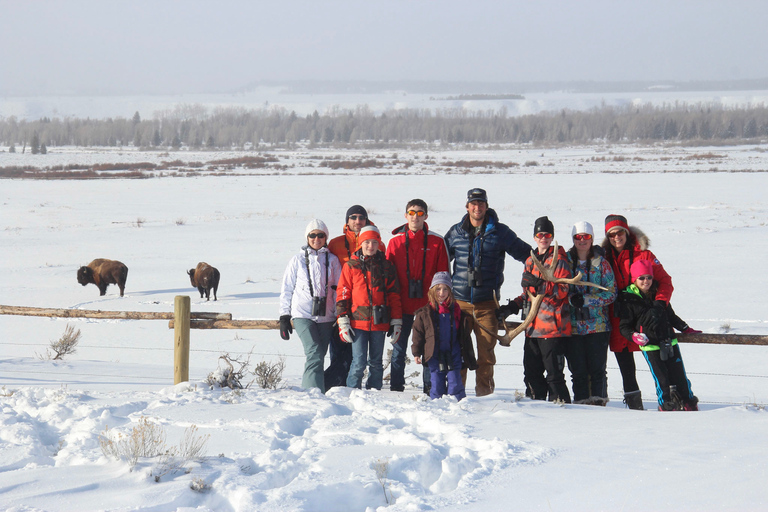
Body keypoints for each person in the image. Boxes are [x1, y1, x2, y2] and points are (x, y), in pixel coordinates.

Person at [444, 188, 532, 397]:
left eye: (481, 203)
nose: (477, 207)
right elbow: (440, 260)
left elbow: (527, 255)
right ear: (467, 207)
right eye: (473, 204)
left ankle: (484, 396)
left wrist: (534, 276)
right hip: (460, 304)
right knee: (459, 352)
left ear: (486, 206)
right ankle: (456, 397)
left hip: (487, 305)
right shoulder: (456, 232)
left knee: (486, 355)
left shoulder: (500, 232)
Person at [601, 214, 673, 410]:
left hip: (648, 318)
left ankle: (668, 402)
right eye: (612, 234)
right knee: (626, 368)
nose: (617, 237)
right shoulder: (603, 258)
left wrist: (659, 305)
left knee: (660, 364)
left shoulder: (644, 255)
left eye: (620, 233)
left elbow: (665, 282)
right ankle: (634, 408)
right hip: (620, 319)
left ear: (627, 233)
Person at [385, 199, 450, 393]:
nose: (415, 217)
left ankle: (430, 388)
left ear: (426, 216)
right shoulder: (395, 242)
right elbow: (387, 276)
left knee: (429, 347)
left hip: (427, 306)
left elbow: (444, 275)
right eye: (412, 213)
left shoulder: (437, 242)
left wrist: (440, 303)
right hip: (401, 305)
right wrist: (390, 305)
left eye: (420, 213)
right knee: (398, 349)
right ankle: (396, 389)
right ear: (405, 215)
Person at [618, 260, 699, 411]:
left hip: (669, 341)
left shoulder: (659, 294)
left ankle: (689, 402)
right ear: (634, 279)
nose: (646, 281)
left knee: (680, 376)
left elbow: (671, 316)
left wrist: (685, 328)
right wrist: (634, 336)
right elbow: (624, 326)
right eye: (641, 278)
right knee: (661, 378)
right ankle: (665, 404)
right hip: (650, 345)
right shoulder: (628, 299)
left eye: (649, 277)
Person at [507, 216, 572, 403]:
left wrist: (541, 285)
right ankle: (535, 407)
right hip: (531, 328)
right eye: (540, 235)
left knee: (554, 376)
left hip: (552, 328)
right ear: (535, 237)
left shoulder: (559, 260)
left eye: (547, 235)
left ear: (552, 237)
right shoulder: (530, 261)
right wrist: (512, 306)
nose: (543, 238)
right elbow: (528, 295)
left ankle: (562, 408)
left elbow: (563, 290)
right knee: (531, 375)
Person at [325, 205, 386, 389]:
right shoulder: (335, 243)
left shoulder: (379, 245)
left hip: (369, 311)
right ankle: (337, 389)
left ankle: (363, 391)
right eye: (353, 217)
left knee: (362, 358)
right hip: (341, 306)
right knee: (339, 353)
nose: (357, 221)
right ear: (347, 221)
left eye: (361, 217)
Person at [279, 219, 342, 393]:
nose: (316, 239)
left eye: (320, 235)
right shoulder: (297, 260)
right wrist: (284, 316)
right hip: (303, 314)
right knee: (314, 352)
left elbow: (340, 289)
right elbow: (287, 288)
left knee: (318, 356)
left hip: (326, 316)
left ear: (326, 237)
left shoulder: (333, 260)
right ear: (307, 237)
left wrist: (340, 314)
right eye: (312, 235)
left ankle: (316, 393)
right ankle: (312, 394)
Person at [336, 226, 402, 390]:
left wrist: (396, 321)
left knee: (376, 362)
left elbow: (394, 295)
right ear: (361, 243)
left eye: (374, 242)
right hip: (358, 321)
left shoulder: (386, 266)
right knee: (358, 362)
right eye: (367, 242)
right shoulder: (351, 266)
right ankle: (352, 393)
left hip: (380, 321)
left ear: (379, 244)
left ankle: (374, 394)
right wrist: (343, 320)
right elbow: (343, 293)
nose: (370, 246)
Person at [564, 221, 617, 405]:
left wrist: (587, 300)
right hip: (573, 326)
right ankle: (581, 404)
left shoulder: (601, 264)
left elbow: (611, 293)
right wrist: (571, 299)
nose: (582, 240)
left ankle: (599, 402)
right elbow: (557, 288)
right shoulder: (565, 262)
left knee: (597, 370)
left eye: (586, 236)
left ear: (592, 238)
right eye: (578, 237)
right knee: (577, 370)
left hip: (598, 326)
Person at [411, 272, 478, 400]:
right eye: (438, 289)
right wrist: (416, 353)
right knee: (436, 382)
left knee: (455, 381)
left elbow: (464, 336)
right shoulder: (425, 314)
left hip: (454, 351)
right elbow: (418, 335)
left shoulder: (457, 311)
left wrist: (467, 354)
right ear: (432, 291)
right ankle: (437, 405)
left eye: (445, 289)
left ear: (450, 291)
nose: (441, 293)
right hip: (434, 353)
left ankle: (456, 404)